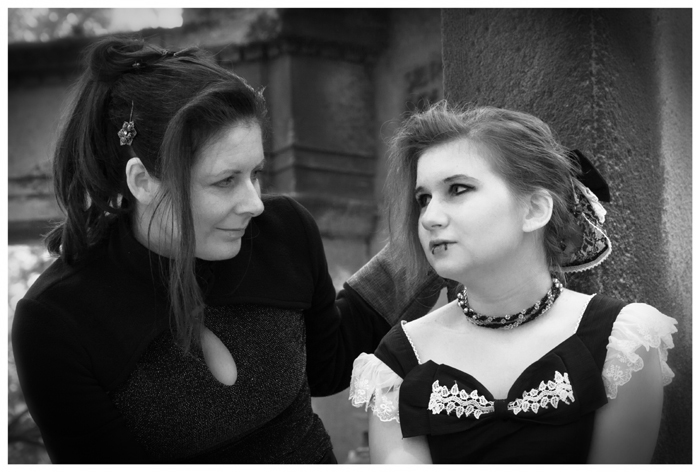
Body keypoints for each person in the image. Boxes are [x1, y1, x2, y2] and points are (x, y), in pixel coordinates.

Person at [11, 37, 442, 464]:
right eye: (225, 181)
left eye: (255, 174)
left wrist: (428, 240)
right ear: (142, 181)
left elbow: (326, 364)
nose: (254, 203)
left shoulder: (283, 230)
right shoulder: (56, 322)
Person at [349, 103, 677, 463]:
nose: (429, 217)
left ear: (534, 209)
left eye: (457, 189)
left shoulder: (622, 342)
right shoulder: (397, 361)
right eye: (423, 199)